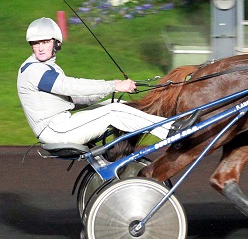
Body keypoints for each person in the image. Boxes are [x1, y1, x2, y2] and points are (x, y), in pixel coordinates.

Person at [17, 17, 171, 145]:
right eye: (36, 43)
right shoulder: (34, 70)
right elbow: (69, 86)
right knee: (115, 111)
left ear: (56, 43)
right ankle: (170, 130)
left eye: (45, 42)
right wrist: (113, 85)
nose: (40, 48)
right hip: (57, 130)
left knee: (118, 104)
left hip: (60, 125)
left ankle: (125, 148)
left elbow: (72, 100)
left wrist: (112, 89)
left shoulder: (47, 68)